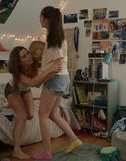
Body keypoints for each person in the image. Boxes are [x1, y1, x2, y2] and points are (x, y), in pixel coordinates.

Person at [33, 6, 82, 160]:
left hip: (56, 78)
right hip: (62, 78)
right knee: (53, 114)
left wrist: (41, 80)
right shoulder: (57, 37)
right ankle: (75, 140)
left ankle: (47, 152)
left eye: (41, 17)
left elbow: (57, 66)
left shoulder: (53, 39)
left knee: (42, 115)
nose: (39, 19)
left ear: (46, 19)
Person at [4, 46, 62, 160]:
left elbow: (38, 83)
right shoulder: (18, 73)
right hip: (13, 90)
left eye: (28, 53)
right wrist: (50, 70)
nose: (29, 56)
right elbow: (33, 82)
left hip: (25, 90)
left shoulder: (35, 64)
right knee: (23, 115)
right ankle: (16, 150)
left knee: (30, 115)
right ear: (19, 63)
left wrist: (53, 71)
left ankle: (10, 105)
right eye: (24, 56)